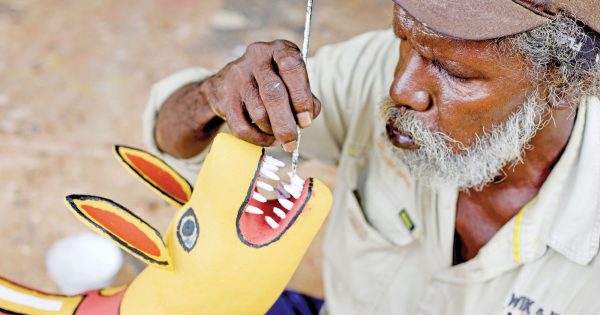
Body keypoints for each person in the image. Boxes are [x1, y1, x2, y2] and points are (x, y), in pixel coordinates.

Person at [143, 0, 600, 314]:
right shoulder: (372, 67)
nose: (400, 88)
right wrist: (211, 96)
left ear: (566, 84)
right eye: (404, 39)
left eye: (455, 71)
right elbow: (175, 144)